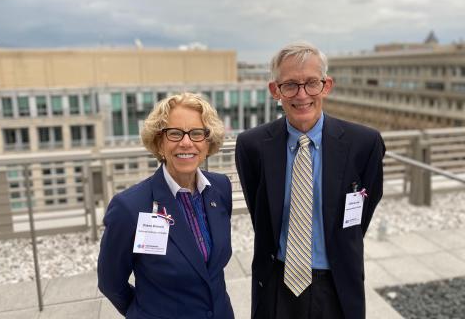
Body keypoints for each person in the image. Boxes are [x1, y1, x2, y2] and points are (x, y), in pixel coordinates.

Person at [235, 42, 385, 319]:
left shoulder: (364, 143)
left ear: (327, 85)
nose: (302, 94)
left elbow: (363, 209)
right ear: (274, 91)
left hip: (338, 283)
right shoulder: (252, 145)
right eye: (290, 85)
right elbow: (262, 215)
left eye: (311, 83)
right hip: (277, 283)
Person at [98, 93, 234, 319]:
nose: (186, 142)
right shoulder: (129, 208)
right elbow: (110, 283)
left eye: (196, 133)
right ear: (159, 142)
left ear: (207, 142)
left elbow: (212, 269)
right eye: (174, 133)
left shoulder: (220, 188)